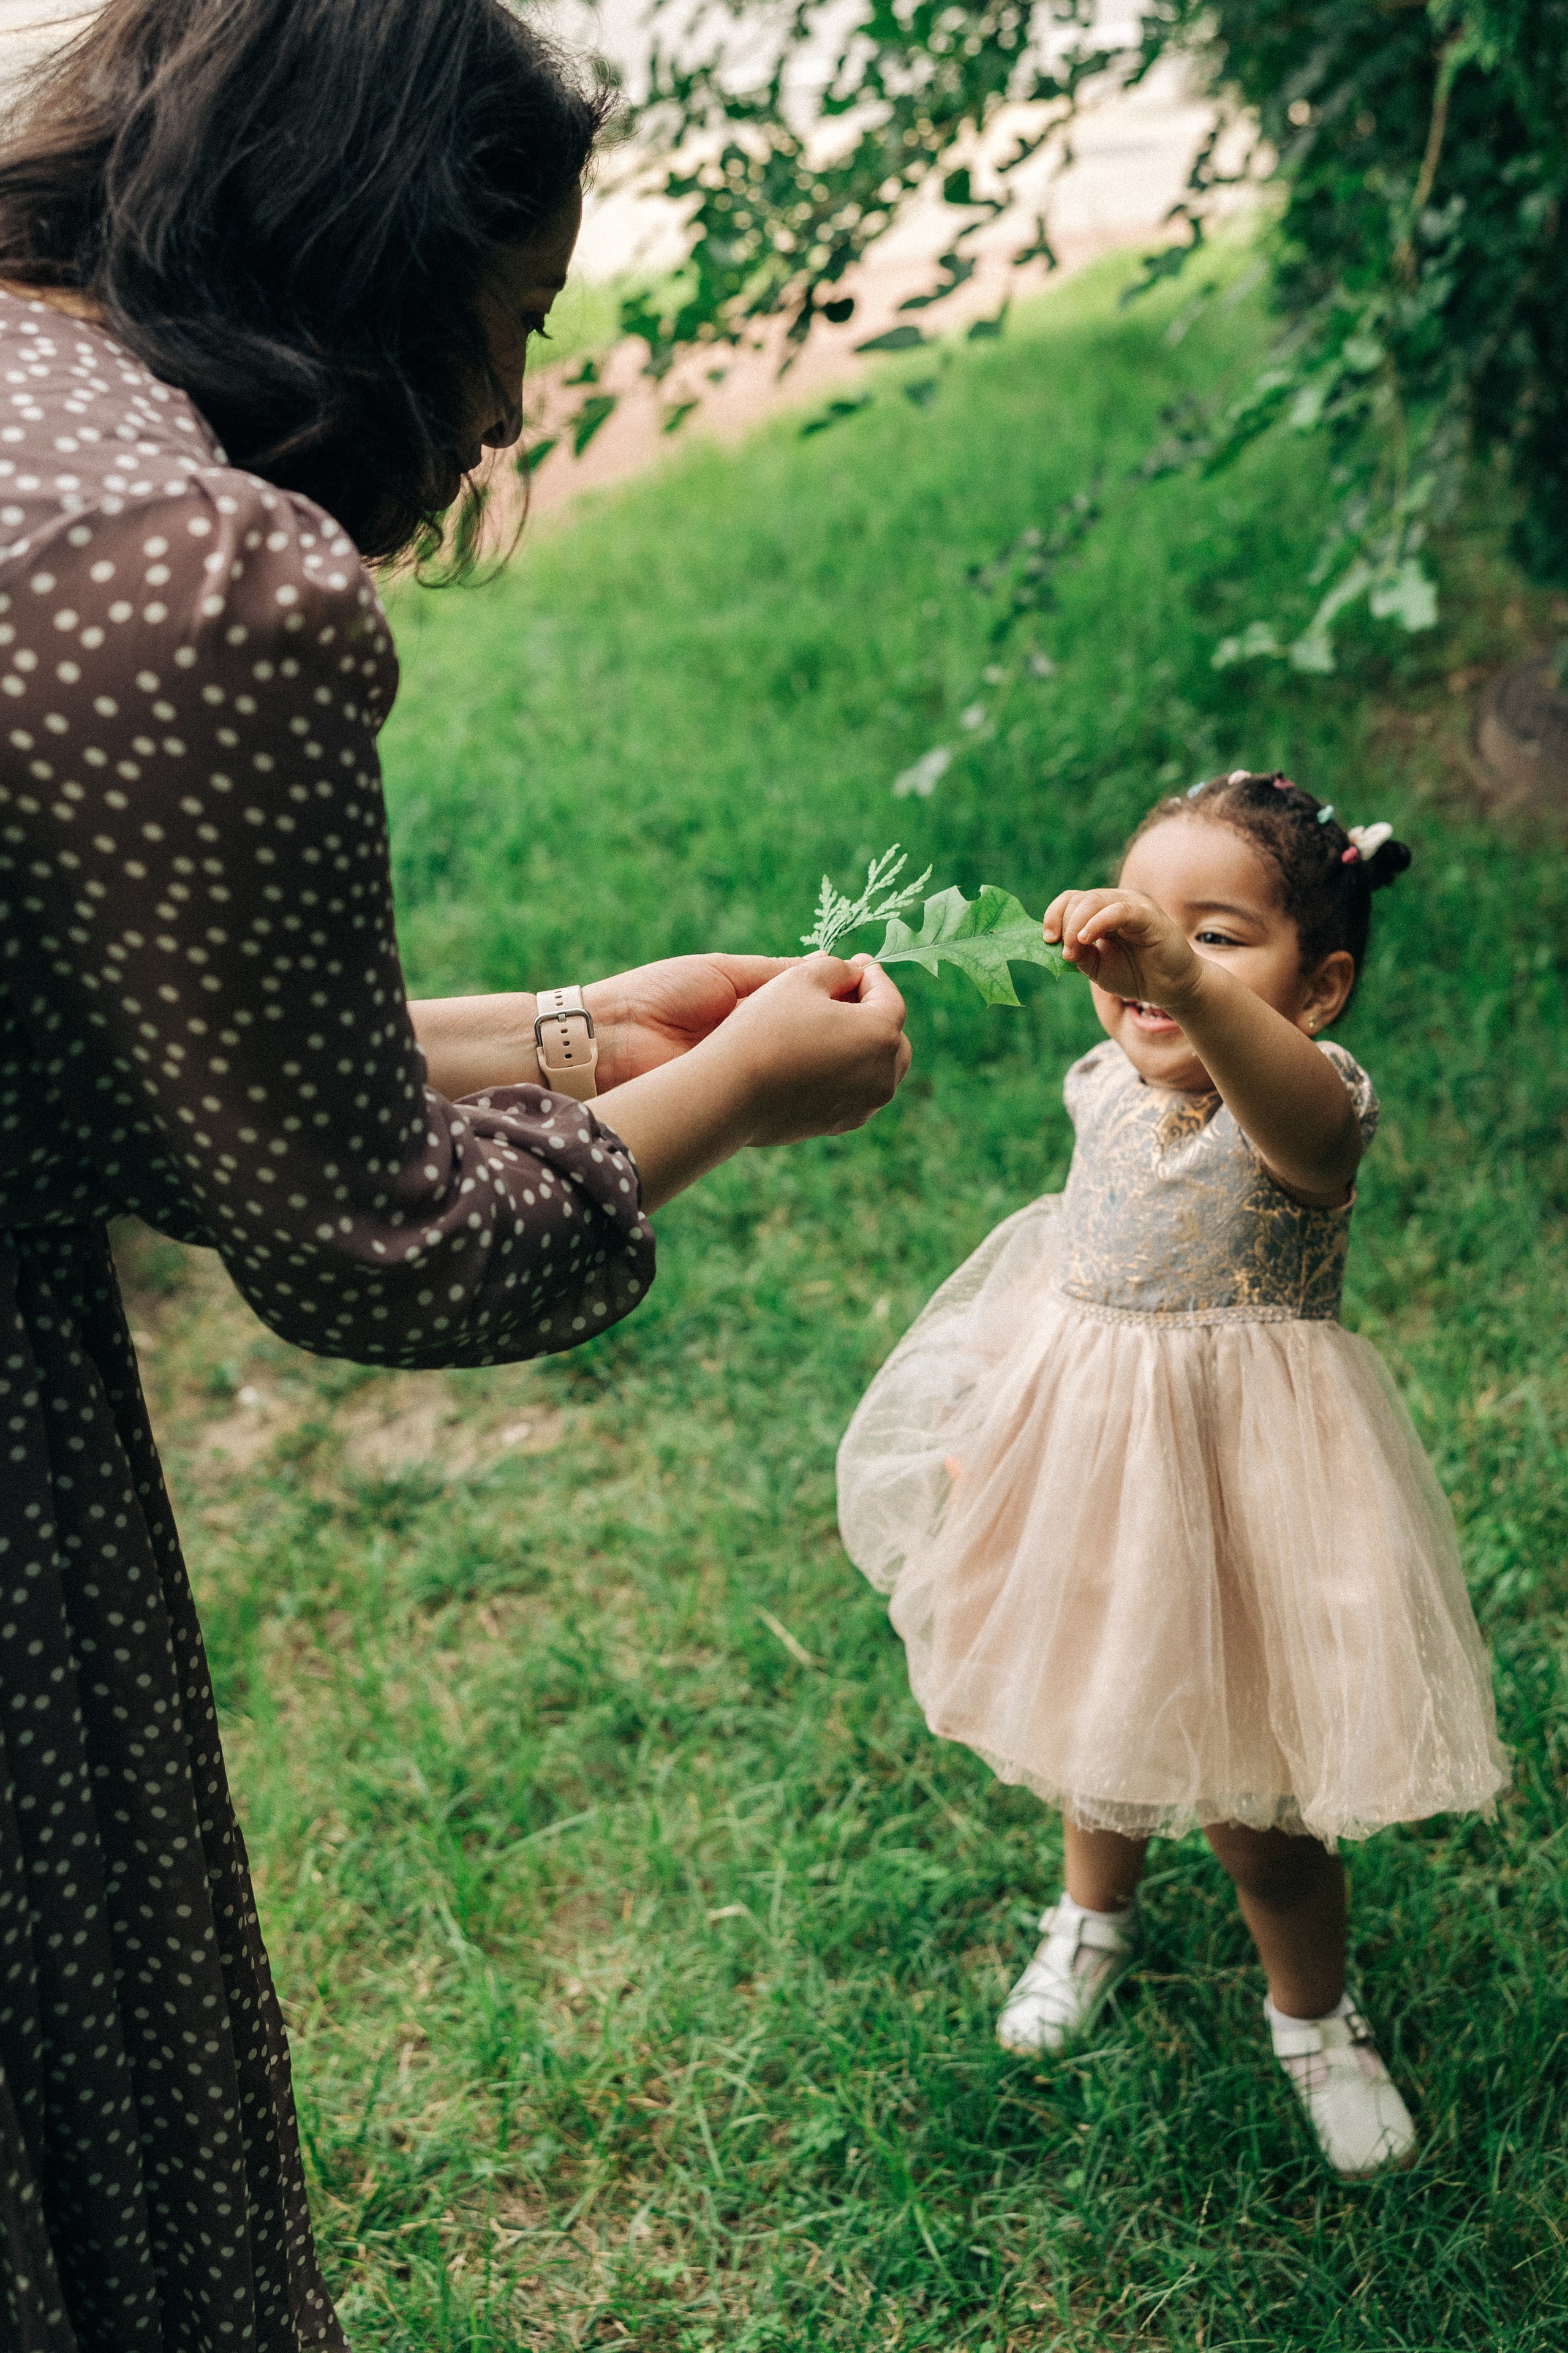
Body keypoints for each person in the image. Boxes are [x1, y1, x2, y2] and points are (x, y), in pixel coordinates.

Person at [0, 2, 911, 2345]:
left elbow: (116, 1033)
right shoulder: (193, 573)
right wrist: (737, 1098)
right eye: (508, 326)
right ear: (375, 254)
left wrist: (595, 1027)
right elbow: (369, 1243)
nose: (506, 411)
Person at [837, 769, 1509, 2179]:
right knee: (1096, 1714)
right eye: (1146, 926)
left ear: (1314, 989)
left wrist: (1193, 995)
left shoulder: (1307, 1101)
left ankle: (1313, 2015)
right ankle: (1091, 1917)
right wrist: (993, 1431)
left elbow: (1309, 1138)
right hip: (1091, 1472)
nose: (1162, 964)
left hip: (1245, 1497)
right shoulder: (1100, 1084)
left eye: (1215, 936)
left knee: (1258, 1811)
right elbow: (1063, 1285)